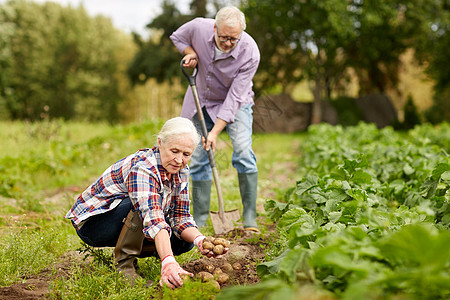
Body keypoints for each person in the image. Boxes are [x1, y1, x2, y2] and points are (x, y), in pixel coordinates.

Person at [65, 117, 227, 288]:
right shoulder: (143, 167)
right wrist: (168, 261)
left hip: (127, 220)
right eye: (174, 151)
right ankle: (123, 267)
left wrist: (200, 240)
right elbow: (153, 217)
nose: (179, 160)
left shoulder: (181, 170)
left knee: (185, 242)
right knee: (140, 206)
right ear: (160, 143)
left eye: (186, 154)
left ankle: (136, 252)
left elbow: (180, 216)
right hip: (94, 225)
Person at [170, 6, 260, 232]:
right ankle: (199, 218)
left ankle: (249, 216)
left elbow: (235, 97)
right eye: (223, 37)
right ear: (214, 28)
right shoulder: (199, 27)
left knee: (242, 151)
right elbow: (178, 37)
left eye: (234, 39)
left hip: (236, 104)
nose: (228, 43)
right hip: (201, 99)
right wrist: (189, 52)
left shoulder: (250, 52)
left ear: (241, 34)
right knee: (199, 156)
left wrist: (215, 132)